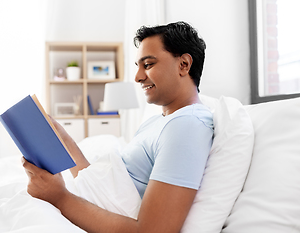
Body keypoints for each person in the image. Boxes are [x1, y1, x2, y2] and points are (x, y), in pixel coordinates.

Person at [22, 21, 214, 232]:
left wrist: (58, 197)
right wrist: (61, 137)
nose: (138, 77)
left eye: (148, 64)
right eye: (138, 66)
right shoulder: (159, 121)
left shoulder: (187, 126)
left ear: (184, 65)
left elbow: (153, 230)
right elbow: (107, 191)